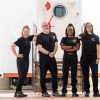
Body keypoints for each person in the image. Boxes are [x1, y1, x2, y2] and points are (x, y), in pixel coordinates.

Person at [11, 25, 37, 98]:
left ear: (29, 32)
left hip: (26, 59)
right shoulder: (20, 39)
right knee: (22, 76)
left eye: (27, 32)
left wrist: (36, 34)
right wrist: (16, 55)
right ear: (22, 32)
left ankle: (20, 91)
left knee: (24, 76)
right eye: (24, 31)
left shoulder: (29, 38)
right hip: (21, 59)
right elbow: (12, 46)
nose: (26, 33)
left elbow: (35, 37)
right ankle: (17, 92)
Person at [36, 22, 60, 97]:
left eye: (47, 25)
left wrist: (54, 52)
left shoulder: (53, 34)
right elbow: (39, 47)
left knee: (55, 74)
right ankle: (44, 91)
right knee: (43, 75)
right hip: (44, 58)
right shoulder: (40, 36)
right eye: (44, 25)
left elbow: (56, 45)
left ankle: (55, 90)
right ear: (42, 27)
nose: (46, 26)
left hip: (52, 57)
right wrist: (49, 53)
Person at [77, 22, 100, 97]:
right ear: (85, 28)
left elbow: (98, 47)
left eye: (90, 26)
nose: (89, 27)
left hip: (93, 58)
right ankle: (87, 91)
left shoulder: (96, 37)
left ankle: (96, 91)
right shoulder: (83, 36)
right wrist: (78, 37)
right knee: (86, 75)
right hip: (84, 58)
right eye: (87, 26)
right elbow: (76, 37)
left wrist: (98, 58)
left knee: (95, 74)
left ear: (92, 27)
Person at [60, 23, 80, 97]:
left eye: (71, 30)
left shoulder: (76, 39)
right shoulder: (64, 39)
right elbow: (62, 47)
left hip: (74, 58)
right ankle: (64, 91)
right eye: (68, 30)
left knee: (74, 75)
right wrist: (72, 47)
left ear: (73, 30)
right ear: (66, 31)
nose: (70, 31)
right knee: (64, 74)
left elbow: (77, 48)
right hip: (66, 58)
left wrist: (67, 48)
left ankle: (74, 91)